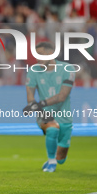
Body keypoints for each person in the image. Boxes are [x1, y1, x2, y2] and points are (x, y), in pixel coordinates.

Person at [23, 42, 74, 172]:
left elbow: (62, 96)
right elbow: (30, 97)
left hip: (64, 116)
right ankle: (51, 162)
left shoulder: (68, 69)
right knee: (52, 128)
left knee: (61, 158)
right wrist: (39, 110)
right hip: (44, 114)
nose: (37, 58)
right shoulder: (33, 71)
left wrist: (39, 104)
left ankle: (55, 159)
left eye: (40, 54)